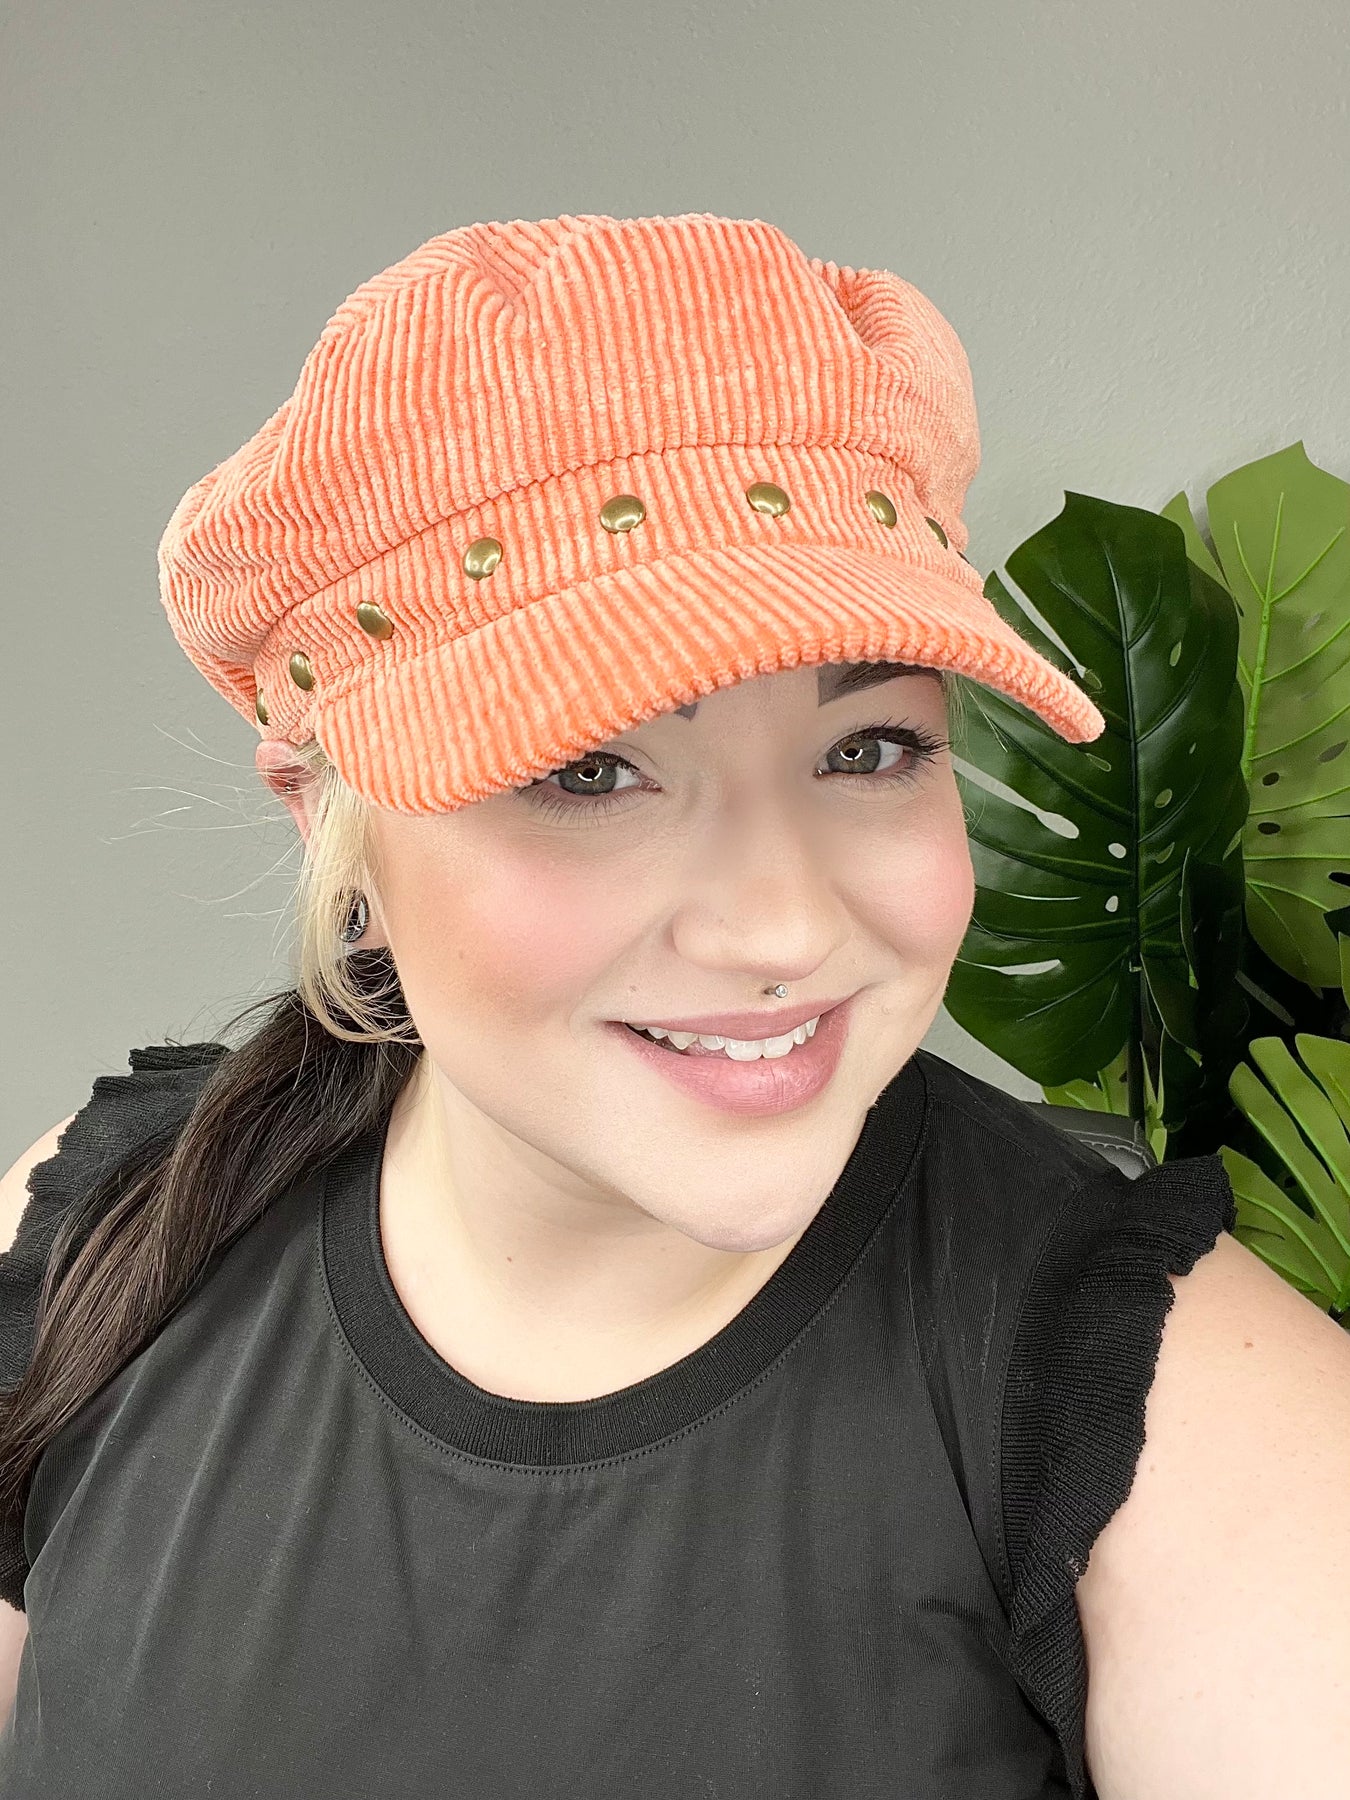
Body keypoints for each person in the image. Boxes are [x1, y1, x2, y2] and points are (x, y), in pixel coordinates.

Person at [0, 213, 1238, 1796]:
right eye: (590, 771)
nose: (781, 924)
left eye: (866, 749)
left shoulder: (1184, 1413)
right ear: (330, 830)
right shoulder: (102, 1243)